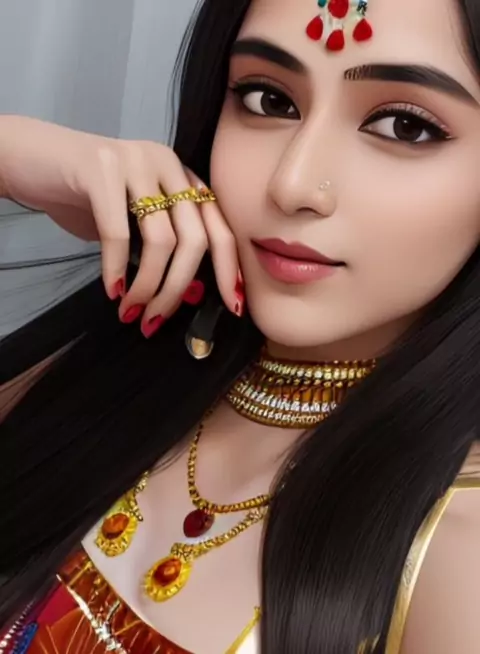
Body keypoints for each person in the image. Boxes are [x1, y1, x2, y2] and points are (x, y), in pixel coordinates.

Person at [1, 0, 480, 651]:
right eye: (268, 100)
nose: (294, 183)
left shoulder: (454, 549)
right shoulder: (117, 378)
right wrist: (11, 154)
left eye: (406, 127)